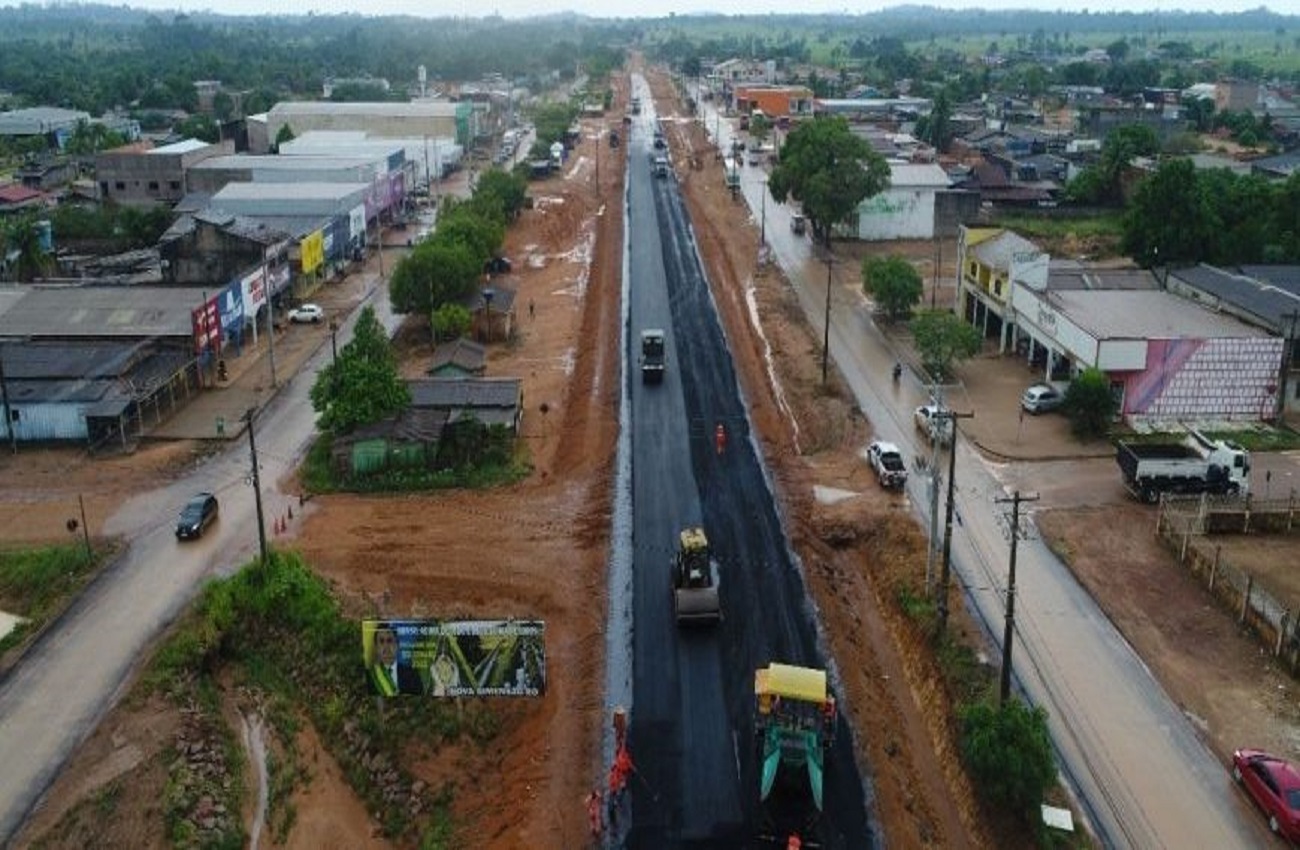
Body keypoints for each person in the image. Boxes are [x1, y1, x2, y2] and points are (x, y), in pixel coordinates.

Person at [365, 623, 424, 696]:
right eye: (381, 641)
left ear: (397, 645)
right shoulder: (370, 678)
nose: (386, 647)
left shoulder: (412, 675)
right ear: (377, 648)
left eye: (389, 641)